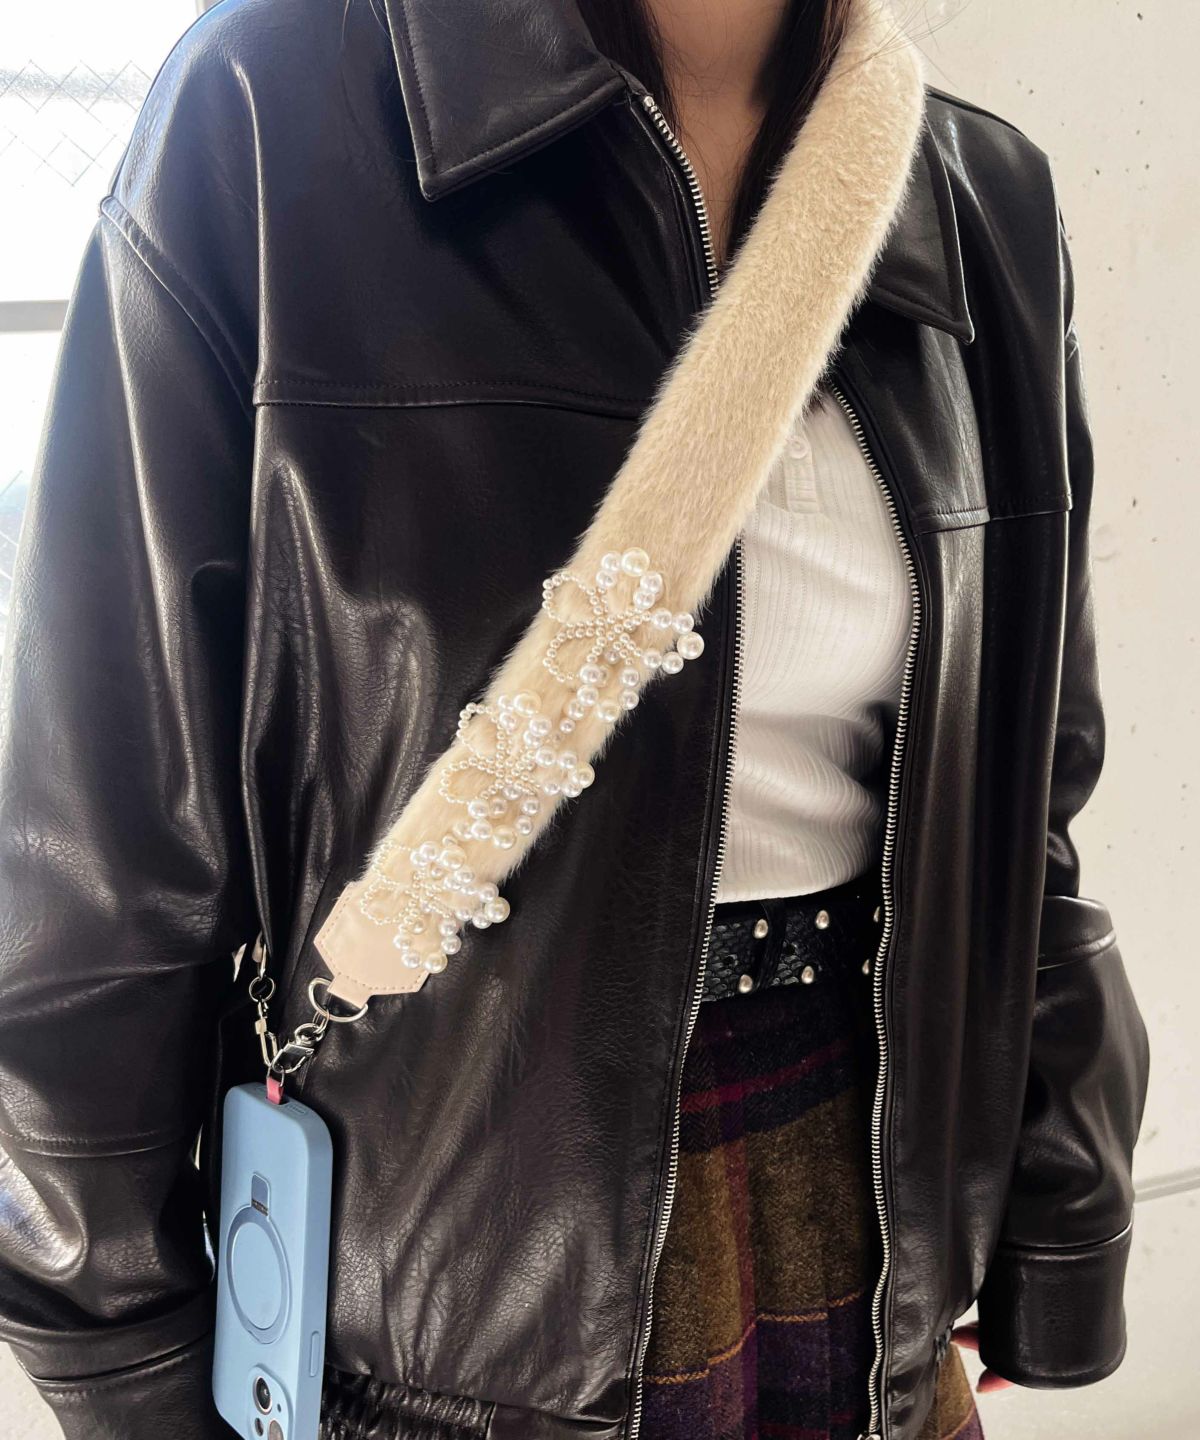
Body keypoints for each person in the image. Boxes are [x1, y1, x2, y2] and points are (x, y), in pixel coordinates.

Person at [0, 0, 1151, 1438]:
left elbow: (1031, 790)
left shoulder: (981, 197)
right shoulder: (271, 107)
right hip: (444, 1299)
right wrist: (121, 1357)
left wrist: (1059, 1207)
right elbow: (101, 836)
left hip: (867, 1212)